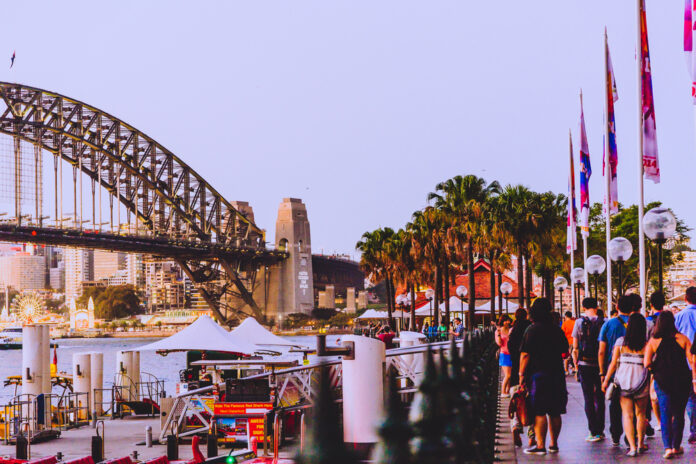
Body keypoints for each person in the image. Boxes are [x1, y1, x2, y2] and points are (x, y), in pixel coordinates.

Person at [519, 298, 568, 455]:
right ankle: (554, 444)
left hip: (537, 374)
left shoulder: (531, 330)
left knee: (539, 411)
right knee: (555, 411)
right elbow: (565, 351)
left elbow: (525, 355)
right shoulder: (556, 330)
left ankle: (541, 446)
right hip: (556, 374)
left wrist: (521, 375)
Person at [645, 311, 693, 459]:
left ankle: (667, 448)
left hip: (662, 380)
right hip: (682, 380)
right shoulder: (683, 339)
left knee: (665, 413)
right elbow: (692, 360)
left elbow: (646, 362)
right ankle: (677, 445)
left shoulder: (653, 341)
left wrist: (655, 369)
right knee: (679, 414)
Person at [602, 313, 650, 457]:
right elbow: (650, 364)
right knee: (640, 414)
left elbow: (613, 364)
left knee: (627, 415)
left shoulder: (620, 343)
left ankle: (633, 447)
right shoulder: (647, 345)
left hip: (623, 383)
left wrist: (605, 380)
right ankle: (641, 443)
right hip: (641, 383)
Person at [599, 295, 632, 447]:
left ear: (617, 307)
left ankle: (615, 434)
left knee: (615, 403)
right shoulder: (638, 322)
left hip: (615, 370)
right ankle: (633, 434)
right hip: (635, 369)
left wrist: (602, 373)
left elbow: (602, 350)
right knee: (634, 402)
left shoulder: (609, 324)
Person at [572, 297, 605, 442]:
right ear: (596, 306)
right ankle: (601, 429)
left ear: (583, 307)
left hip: (584, 364)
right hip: (601, 365)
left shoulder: (579, 322)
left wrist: (575, 365)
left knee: (588, 398)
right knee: (600, 396)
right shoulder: (604, 321)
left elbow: (575, 347)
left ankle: (593, 431)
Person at [674, 286, 696, 443]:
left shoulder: (679, 316)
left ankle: (694, 429)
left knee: (690, 397)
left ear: (686, 299)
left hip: (686, 363)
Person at [507, 308, 531, 447]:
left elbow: (510, 350)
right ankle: (532, 435)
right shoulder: (530, 328)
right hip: (530, 369)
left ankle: (515, 426)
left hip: (516, 369)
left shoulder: (513, 331)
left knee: (517, 400)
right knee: (531, 402)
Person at [647, 291, 666, 434]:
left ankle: (660, 421)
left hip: (653, 361)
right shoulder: (670, 319)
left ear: (651, 304)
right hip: (670, 359)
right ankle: (668, 419)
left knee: (654, 395)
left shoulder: (647, 321)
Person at [496, 315, 513, 398]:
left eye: (508, 321)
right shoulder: (498, 331)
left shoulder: (510, 330)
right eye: (506, 321)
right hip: (504, 354)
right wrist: (499, 335)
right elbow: (499, 343)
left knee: (510, 375)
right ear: (502, 322)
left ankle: (507, 391)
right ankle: (503, 391)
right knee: (508, 375)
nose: (508, 322)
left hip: (511, 353)